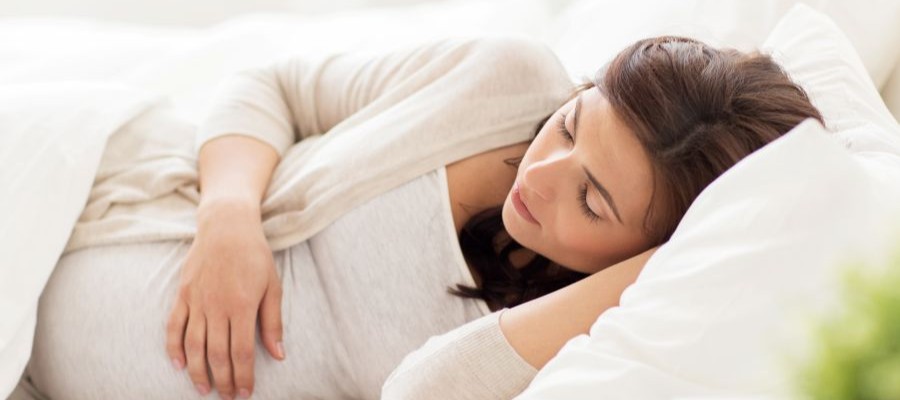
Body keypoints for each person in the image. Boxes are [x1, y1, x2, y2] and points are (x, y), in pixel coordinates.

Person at [25, 35, 822, 400]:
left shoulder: (603, 339)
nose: (539, 180)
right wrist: (229, 220)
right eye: (572, 125)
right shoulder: (504, 82)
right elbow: (275, 85)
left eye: (593, 200)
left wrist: (647, 273)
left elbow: (427, 392)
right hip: (75, 204)